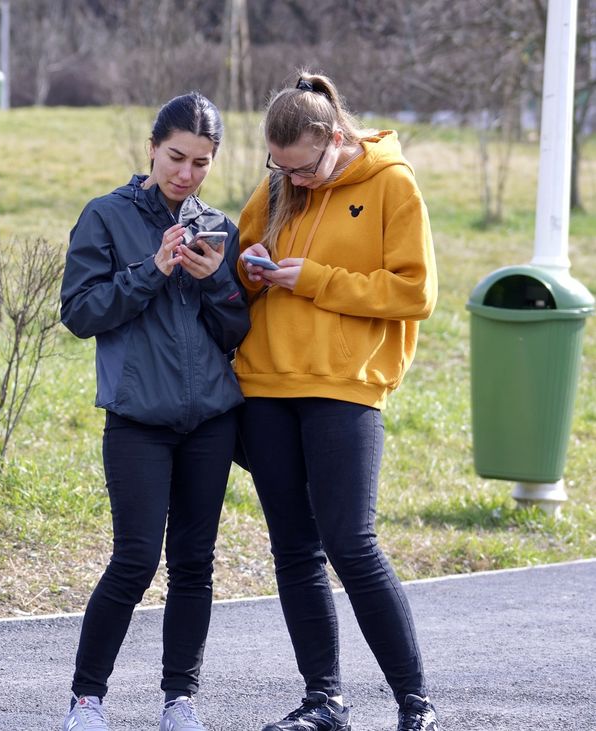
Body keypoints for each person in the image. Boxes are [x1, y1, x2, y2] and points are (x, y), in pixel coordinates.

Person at [234, 71, 440, 731]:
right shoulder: (278, 187)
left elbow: (415, 292)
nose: (294, 179)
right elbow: (240, 262)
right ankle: (324, 702)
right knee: (294, 549)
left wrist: (317, 279)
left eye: (304, 167)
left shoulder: (391, 183)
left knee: (351, 542)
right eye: (280, 166)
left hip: (345, 386)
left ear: (334, 137)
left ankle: (416, 702)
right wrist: (248, 268)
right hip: (266, 386)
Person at [59, 92, 249, 731]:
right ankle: (88, 699)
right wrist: (153, 268)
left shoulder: (218, 225)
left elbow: (235, 333)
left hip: (211, 421)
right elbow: (80, 313)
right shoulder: (105, 217)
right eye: (176, 157)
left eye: (201, 162)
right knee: (136, 560)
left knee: (195, 563)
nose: (186, 174)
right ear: (151, 148)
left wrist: (217, 280)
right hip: (138, 420)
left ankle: (180, 700)